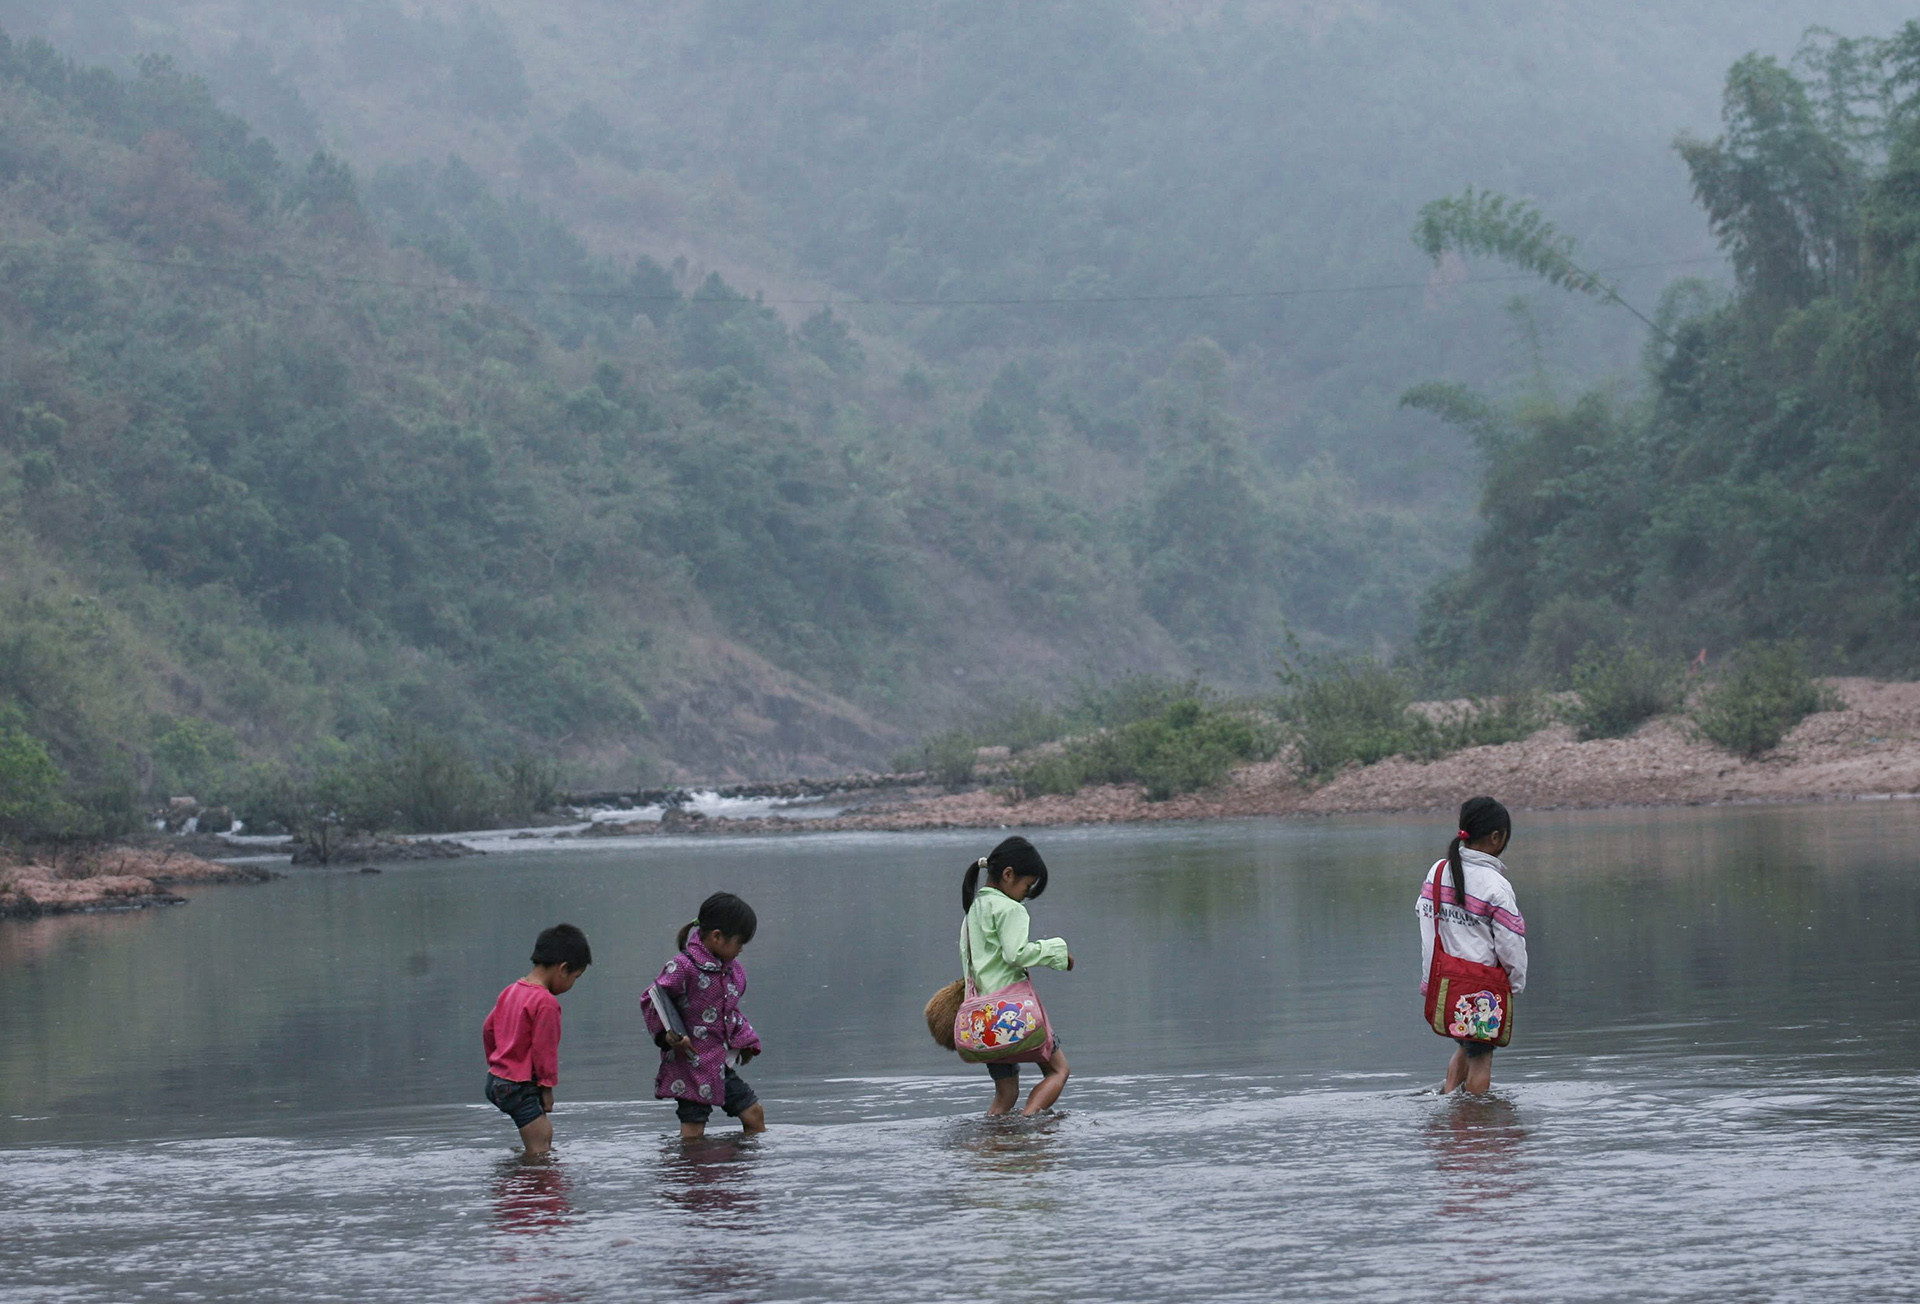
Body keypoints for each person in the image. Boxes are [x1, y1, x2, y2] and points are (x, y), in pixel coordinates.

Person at [1417, 797, 1528, 1094]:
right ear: (1496, 837)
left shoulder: (1438, 872)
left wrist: (1430, 981)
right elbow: (1510, 944)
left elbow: (1429, 931)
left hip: (1447, 986)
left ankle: (1449, 1104)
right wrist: (1515, 985)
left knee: (1466, 1049)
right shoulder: (1496, 885)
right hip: (1483, 991)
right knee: (1482, 1061)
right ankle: (1478, 1126)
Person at [961, 835, 1074, 1116]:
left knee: (1006, 1093)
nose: (1026, 893)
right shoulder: (1010, 909)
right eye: (1027, 885)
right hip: (1015, 1013)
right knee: (1058, 1071)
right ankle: (1028, 1121)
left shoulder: (973, 911)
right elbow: (1016, 953)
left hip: (984, 1021)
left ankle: (994, 1143)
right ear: (1009, 875)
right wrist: (1058, 952)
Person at [643, 892, 765, 1139]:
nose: (741, 950)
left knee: (754, 1114)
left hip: (719, 1064)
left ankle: (741, 1169)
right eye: (739, 943)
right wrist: (670, 1035)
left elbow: (729, 1011)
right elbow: (653, 999)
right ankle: (691, 1172)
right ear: (717, 937)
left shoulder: (732, 971)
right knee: (693, 1131)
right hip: (690, 1066)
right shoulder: (683, 967)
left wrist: (746, 1043)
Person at [483, 923, 592, 1156]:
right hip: (517, 1085)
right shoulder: (546, 1002)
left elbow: (488, 1029)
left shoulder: (511, 990)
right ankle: (535, 1187)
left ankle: (521, 1174)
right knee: (541, 1145)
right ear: (563, 969)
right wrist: (547, 1089)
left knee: (541, 1135)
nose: (573, 984)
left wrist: (497, 1062)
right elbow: (545, 1051)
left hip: (496, 1081)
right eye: (575, 977)